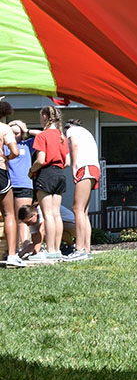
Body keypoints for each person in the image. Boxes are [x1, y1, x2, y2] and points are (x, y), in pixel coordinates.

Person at [26, 106, 70, 264]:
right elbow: (68, 162)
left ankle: (50, 250)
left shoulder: (42, 136)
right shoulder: (61, 137)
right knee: (56, 214)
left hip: (45, 175)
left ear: (45, 117)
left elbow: (41, 160)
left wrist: (31, 171)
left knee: (48, 215)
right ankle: (57, 249)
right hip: (59, 175)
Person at [64, 119, 100, 260]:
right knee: (83, 212)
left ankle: (79, 249)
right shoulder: (85, 133)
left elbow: (74, 145)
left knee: (77, 209)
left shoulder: (72, 131)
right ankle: (86, 249)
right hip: (93, 169)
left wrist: (74, 166)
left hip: (84, 168)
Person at [0, 101, 22, 267]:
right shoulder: (5, 129)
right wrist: (7, 159)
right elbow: (14, 151)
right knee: (8, 214)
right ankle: (12, 255)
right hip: (0, 170)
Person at [7, 121, 34, 254]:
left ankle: (25, 248)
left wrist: (26, 129)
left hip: (24, 185)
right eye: (11, 133)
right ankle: (14, 249)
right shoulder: (5, 146)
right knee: (11, 217)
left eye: (16, 133)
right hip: (9, 185)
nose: (14, 135)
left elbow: (43, 135)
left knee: (23, 218)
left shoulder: (27, 144)